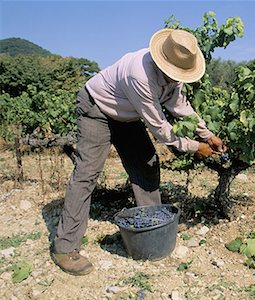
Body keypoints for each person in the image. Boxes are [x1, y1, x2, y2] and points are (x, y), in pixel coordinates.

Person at [51, 28, 226, 276]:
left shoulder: (172, 75)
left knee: (146, 164)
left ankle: (151, 228)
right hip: (97, 109)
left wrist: (207, 135)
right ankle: (64, 247)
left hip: (126, 114)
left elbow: (179, 105)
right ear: (161, 61)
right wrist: (196, 147)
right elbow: (162, 130)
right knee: (86, 174)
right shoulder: (140, 75)